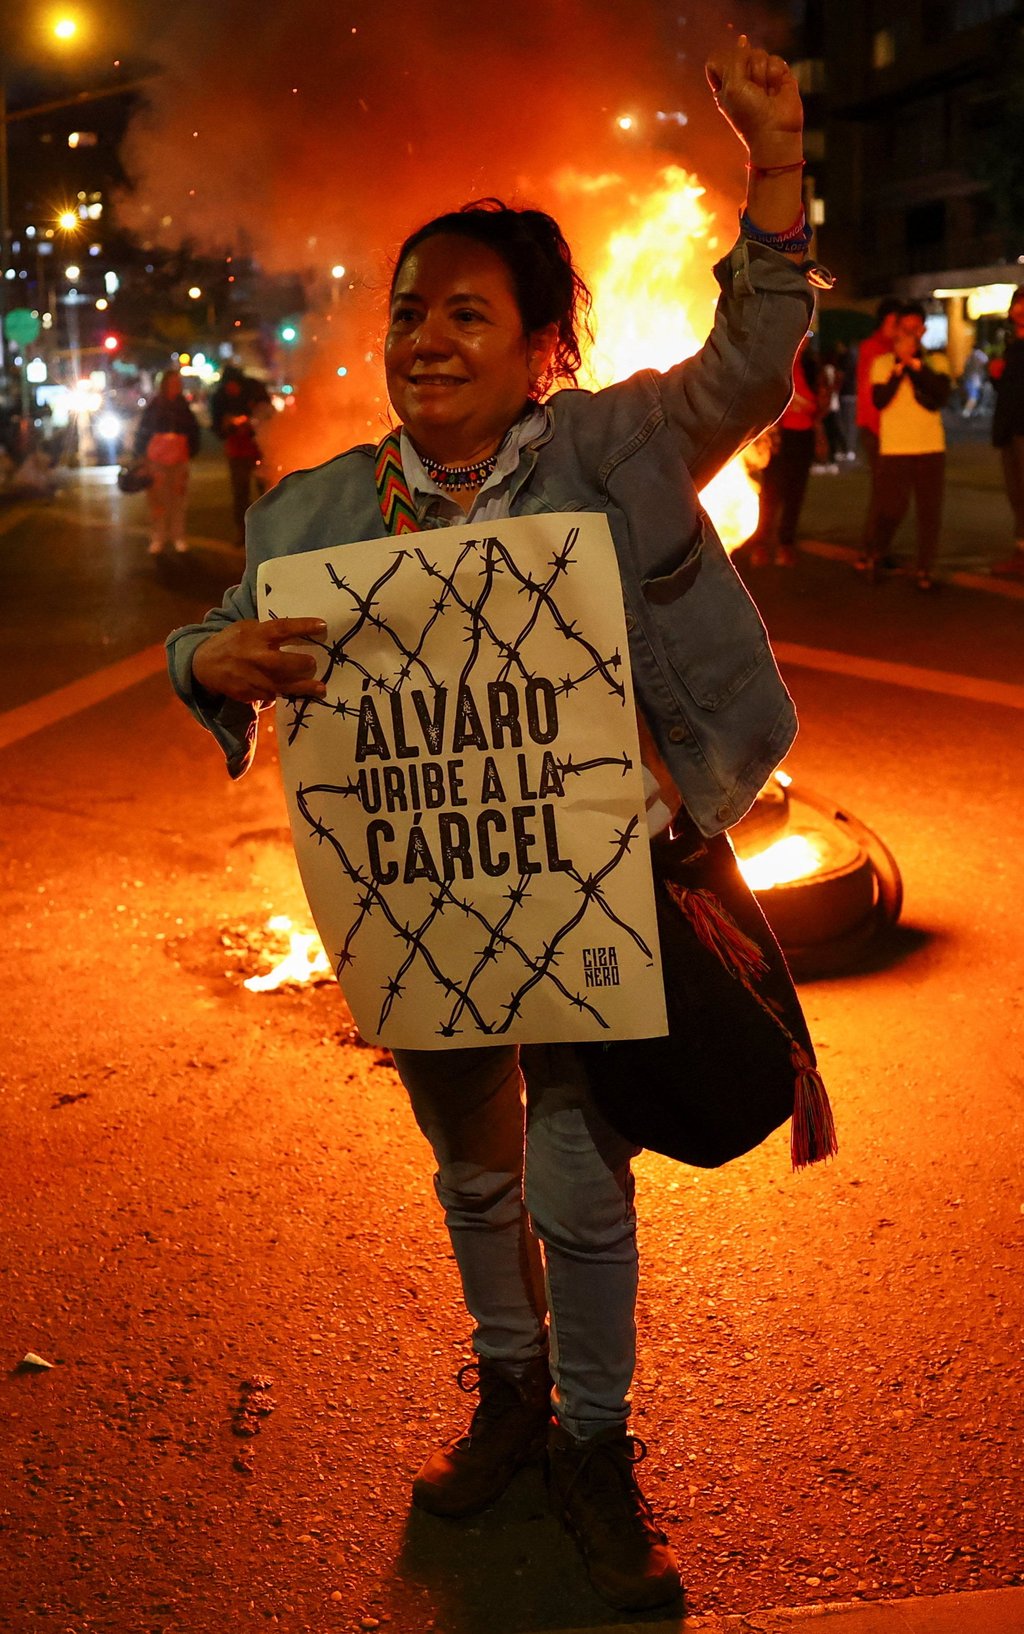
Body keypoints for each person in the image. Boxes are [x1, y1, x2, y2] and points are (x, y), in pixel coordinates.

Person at [166, 35, 818, 1615]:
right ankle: (509, 1391)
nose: (424, 337)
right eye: (408, 311)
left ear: (541, 350)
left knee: (581, 1176)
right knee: (474, 1165)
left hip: (600, 878)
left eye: (466, 312)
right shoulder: (312, 511)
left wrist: (780, 161)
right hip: (424, 898)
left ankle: (594, 1439)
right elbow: (219, 634)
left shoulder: (616, 448)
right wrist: (211, 663)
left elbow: (752, 356)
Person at [864, 302, 951, 591]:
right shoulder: (882, 363)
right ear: (896, 330)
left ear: (923, 331)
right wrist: (900, 367)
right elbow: (880, 400)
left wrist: (914, 364)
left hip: (930, 446)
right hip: (895, 448)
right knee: (891, 508)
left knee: (929, 512)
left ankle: (925, 568)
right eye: (905, 329)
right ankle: (877, 553)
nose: (910, 334)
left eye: (916, 329)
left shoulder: (936, 361)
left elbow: (940, 395)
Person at [747, 330, 822, 566]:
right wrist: (797, 404)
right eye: (802, 334)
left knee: (795, 493)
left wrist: (806, 405)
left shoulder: (811, 366)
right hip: (779, 437)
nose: (804, 340)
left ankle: (785, 544)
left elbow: (816, 403)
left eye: (809, 335)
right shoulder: (777, 364)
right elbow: (771, 399)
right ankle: (761, 544)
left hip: (803, 435)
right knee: (771, 492)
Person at [133, 369, 201, 555]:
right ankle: (158, 536)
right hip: (157, 459)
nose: (176, 386)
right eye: (172, 383)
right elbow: (144, 430)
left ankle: (178, 536)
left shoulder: (183, 406)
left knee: (178, 499)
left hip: (179, 458)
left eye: (177, 383)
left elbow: (193, 430)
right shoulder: (155, 405)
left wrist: (191, 450)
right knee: (158, 500)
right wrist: (141, 455)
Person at [854, 296, 901, 559]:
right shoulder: (873, 348)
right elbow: (869, 394)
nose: (898, 328)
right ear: (883, 322)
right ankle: (871, 549)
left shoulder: (892, 348)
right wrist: (877, 429)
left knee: (890, 493)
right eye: (895, 322)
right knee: (884, 493)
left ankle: (878, 549)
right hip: (876, 430)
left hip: (890, 430)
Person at [209, 366, 273, 547]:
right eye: (228, 386)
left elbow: (267, 414)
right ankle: (243, 532)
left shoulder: (255, 390)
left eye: (234, 385)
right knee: (240, 494)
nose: (232, 389)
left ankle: (269, 529)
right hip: (236, 451)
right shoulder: (220, 398)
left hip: (258, 447)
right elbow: (216, 425)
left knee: (266, 491)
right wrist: (228, 425)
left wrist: (251, 423)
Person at [988, 286, 1024, 578]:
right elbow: (1010, 389)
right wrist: (996, 376)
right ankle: (1020, 553)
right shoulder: (1012, 344)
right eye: (1017, 305)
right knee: (1016, 494)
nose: (1020, 311)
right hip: (1009, 428)